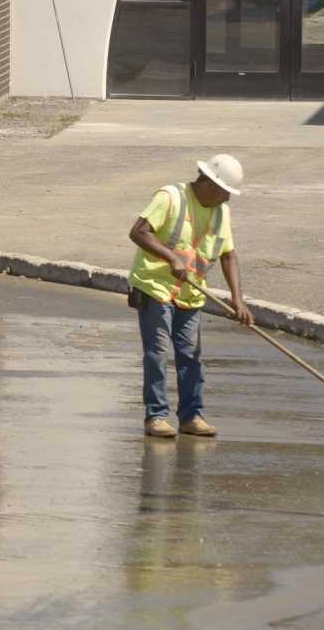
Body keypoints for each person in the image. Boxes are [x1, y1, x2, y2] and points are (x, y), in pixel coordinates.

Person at [126, 153, 252, 439]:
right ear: (208, 183)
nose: (228, 199)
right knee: (157, 352)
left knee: (191, 355)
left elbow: (228, 255)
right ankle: (156, 416)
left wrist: (238, 299)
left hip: (190, 292)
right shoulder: (170, 197)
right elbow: (138, 232)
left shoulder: (221, 212)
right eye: (225, 192)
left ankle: (191, 416)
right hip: (154, 286)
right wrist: (170, 257)